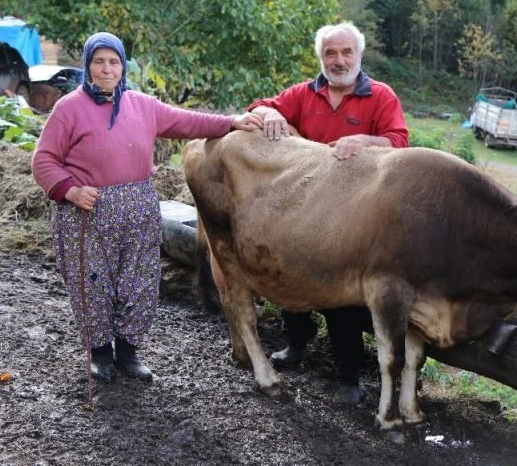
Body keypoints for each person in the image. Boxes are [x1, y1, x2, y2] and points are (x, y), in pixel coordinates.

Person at [31, 32, 262, 383]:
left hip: (138, 207)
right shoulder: (69, 108)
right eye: (99, 62)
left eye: (113, 62)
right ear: (87, 65)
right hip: (87, 212)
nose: (107, 69)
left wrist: (229, 121)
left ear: (122, 66)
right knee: (93, 284)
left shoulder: (142, 105)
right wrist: (70, 190)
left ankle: (128, 353)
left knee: (138, 282)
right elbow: (43, 160)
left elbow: (188, 121)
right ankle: (99, 354)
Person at [247, 22, 409, 406]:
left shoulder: (381, 96)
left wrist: (365, 141)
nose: (338, 61)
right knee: (288, 276)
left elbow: (400, 143)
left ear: (359, 55)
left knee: (343, 300)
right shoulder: (304, 93)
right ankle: (297, 344)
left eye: (346, 52)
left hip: (356, 216)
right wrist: (270, 113)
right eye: (330, 54)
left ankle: (349, 378)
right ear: (321, 57)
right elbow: (257, 106)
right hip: (305, 210)